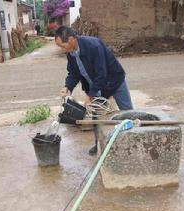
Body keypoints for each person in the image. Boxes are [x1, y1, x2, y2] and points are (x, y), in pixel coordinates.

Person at [55, 26, 133, 155]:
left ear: (71, 40)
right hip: (95, 86)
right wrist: (67, 87)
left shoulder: (93, 45)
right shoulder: (71, 53)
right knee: (96, 116)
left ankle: (133, 141)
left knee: (128, 112)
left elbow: (101, 74)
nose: (61, 49)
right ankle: (99, 144)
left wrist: (90, 96)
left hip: (114, 80)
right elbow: (73, 73)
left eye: (62, 45)